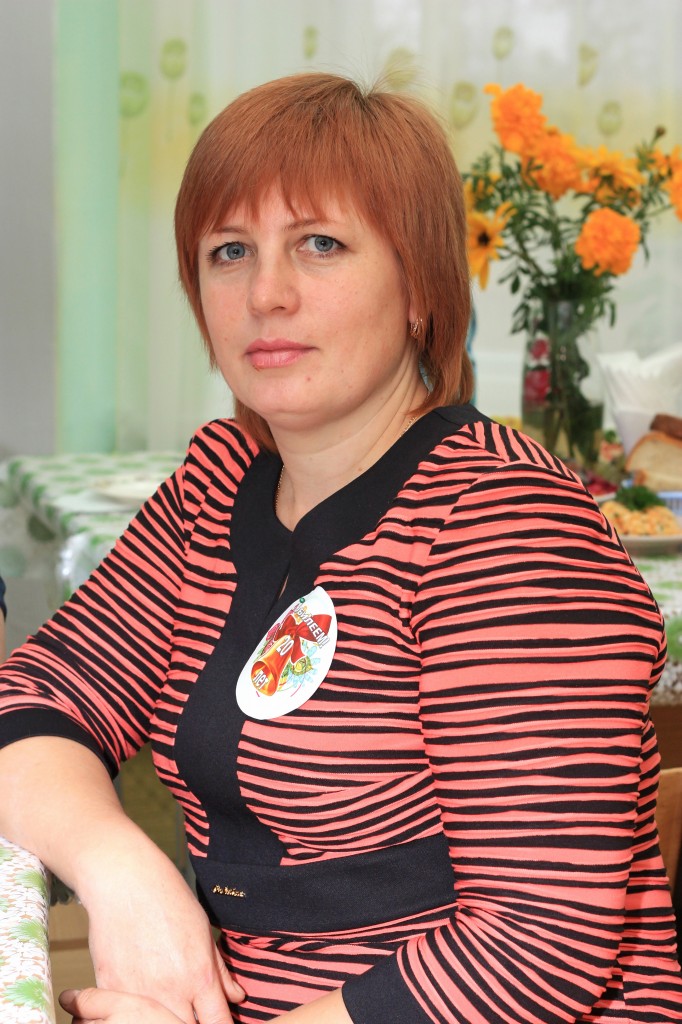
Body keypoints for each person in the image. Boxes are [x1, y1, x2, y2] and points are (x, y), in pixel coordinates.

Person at [0, 72, 681, 1024]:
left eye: (320, 244)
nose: (266, 294)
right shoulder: (217, 484)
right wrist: (122, 870)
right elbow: (35, 699)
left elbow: (538, 947)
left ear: (420, 287)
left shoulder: (510, 524)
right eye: (229, 251)